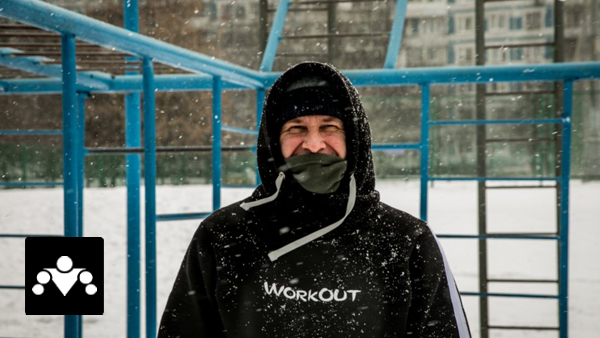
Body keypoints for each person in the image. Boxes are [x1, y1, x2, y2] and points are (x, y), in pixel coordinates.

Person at [158, 62, 471, 337]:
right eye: (296, 128)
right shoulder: (224, 236)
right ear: (273, 143)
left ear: (354, 139)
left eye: (329, 127)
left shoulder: (405, 241)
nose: (314, 143)